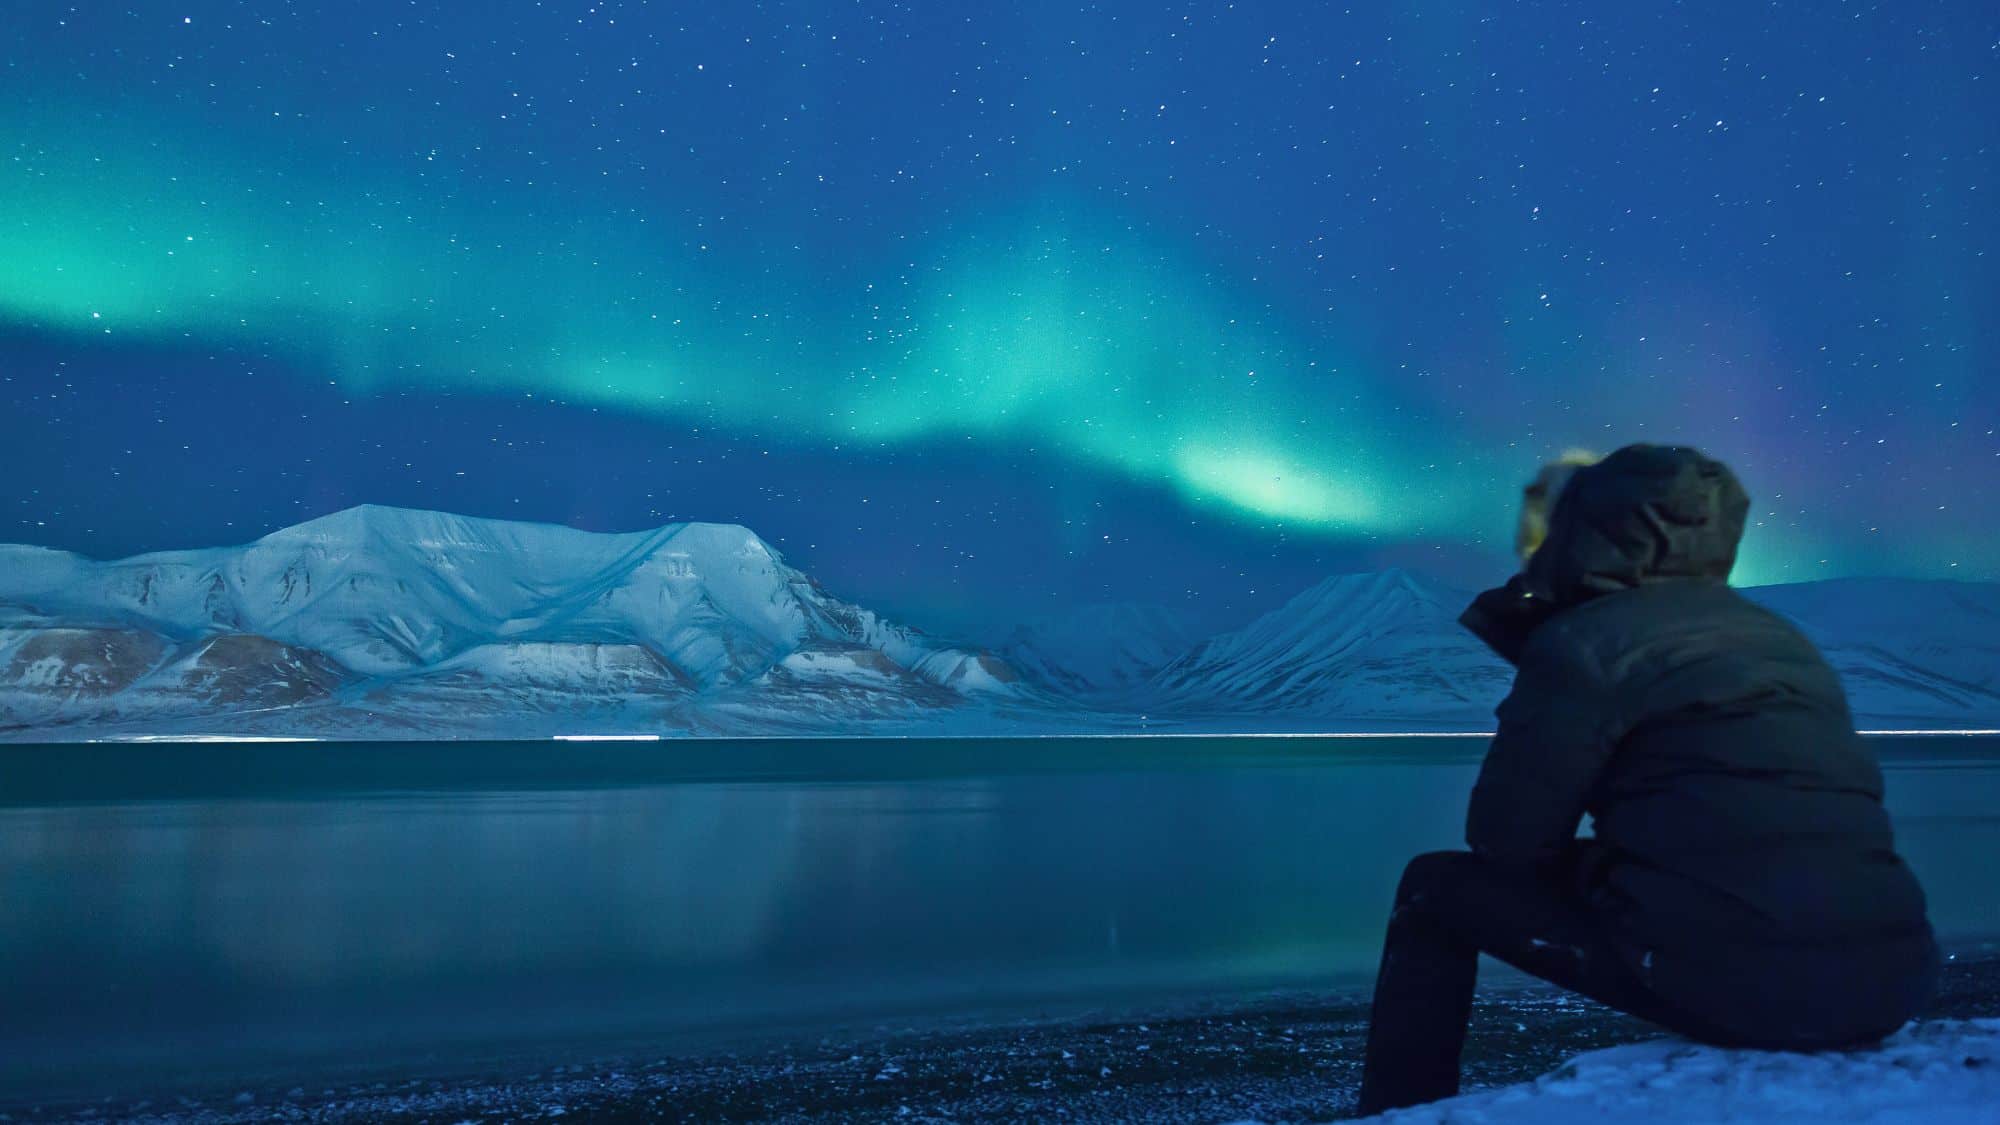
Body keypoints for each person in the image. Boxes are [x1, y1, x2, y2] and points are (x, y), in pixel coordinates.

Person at [1353, 443, 1940, 1116]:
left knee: (1433, 888)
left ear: (1585, 531)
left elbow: (1506, 841)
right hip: (1891, 983)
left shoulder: (1585, 643)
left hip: (1765, 994)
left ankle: (1398, 1109)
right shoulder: (1779, 639)